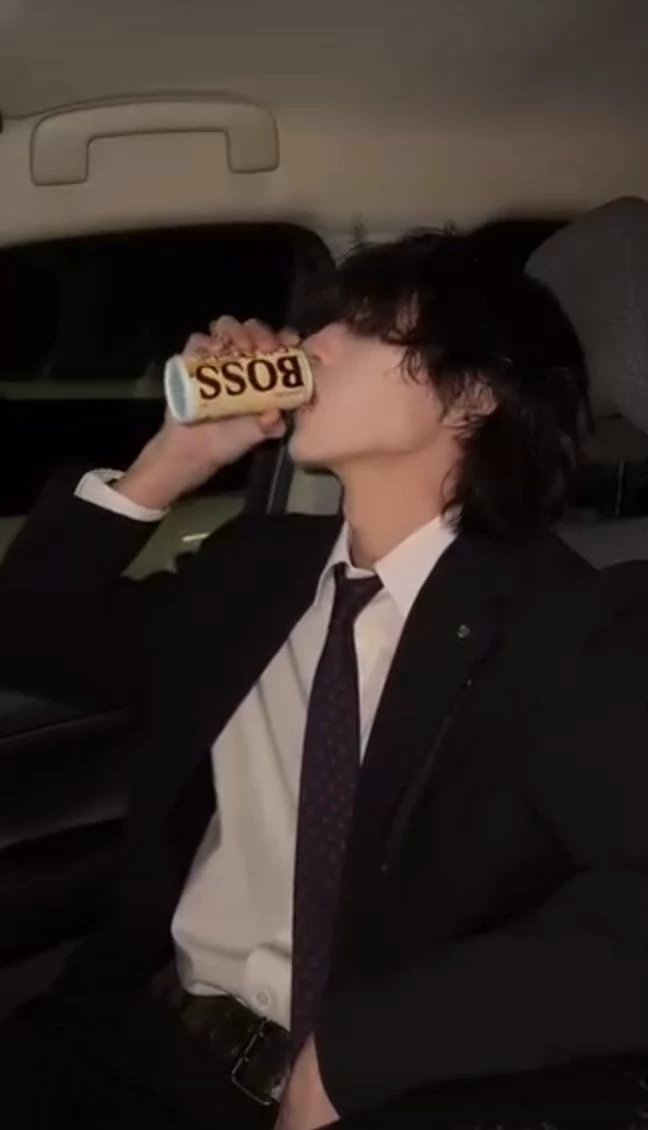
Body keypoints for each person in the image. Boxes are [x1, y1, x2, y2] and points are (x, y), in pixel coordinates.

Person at [2, 230, 648, 1130]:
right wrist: (174, 461)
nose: (314, 346)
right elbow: (30, 639)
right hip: (136, 1046)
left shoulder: (572, 627)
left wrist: (363, 1053)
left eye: (367, 326)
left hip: (361, 1097)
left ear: (473, 395)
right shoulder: (255, 571)